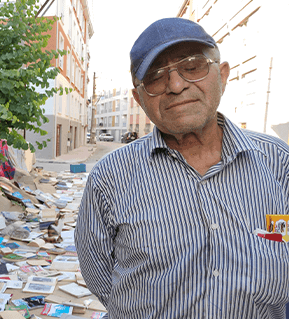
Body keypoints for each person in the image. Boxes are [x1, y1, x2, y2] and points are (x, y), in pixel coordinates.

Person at [75, 17, 289, 319]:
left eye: (192, 66)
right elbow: (98, 272)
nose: (175, 85)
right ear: (139, 98)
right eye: (155, 77)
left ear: (223, 75)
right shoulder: (110, 176)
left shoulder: (279, 163)